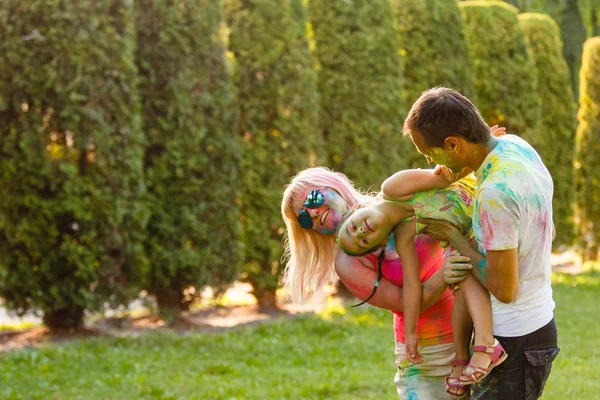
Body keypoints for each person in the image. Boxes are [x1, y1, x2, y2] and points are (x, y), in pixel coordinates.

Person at [403, 87, 559, 400]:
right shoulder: (517, 147)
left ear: (452, 144)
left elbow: (504, 289)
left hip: (513, 341)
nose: (431, 163)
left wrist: (454, 237)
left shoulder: (495, 194)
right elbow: (548, 232)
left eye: (429, 154)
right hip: (538, 324)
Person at [281, 167, 470, 399]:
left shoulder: (395, 193)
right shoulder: (348, 261)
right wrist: (444, 275)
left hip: (478, 329)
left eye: (313, 198)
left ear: (333, 184)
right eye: (304, 218)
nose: (312, 213)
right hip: (428, 355)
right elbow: (404, 301)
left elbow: (450, 180)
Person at [336, 170, 506, 398]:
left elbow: (444, 175)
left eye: (353, 227)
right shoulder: (405, 233)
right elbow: (412, 286)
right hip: (468, 231)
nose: (361, 232)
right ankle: (476, 352)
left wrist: (480, 154)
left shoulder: (393, 188)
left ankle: (483, 346)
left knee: (467, 270)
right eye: (364, 241)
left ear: (356, 210)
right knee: (461, 275)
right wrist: (411, 333)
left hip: (473, 199)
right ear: (381, 241)